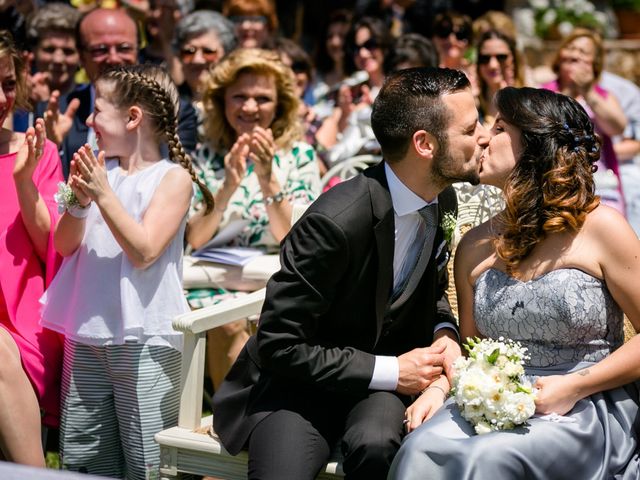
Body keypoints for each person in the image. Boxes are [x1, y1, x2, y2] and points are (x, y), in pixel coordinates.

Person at [212, 66, 490, 479]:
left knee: (378, 446)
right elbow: (278, 344)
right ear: (424, 144)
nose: (484, 135)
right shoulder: (336, 222)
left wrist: (444, 332)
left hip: (379, 386)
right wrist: (394, 371)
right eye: (470, 129)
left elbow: (424, 293)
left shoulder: (441, 199)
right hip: (297, 388)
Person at [389, 86, 640, 479]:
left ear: (537, 146)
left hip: (583, 405)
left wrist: (573, 387)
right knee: (419, 451)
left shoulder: (601, 228)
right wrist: (439, 389)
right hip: (494, 400)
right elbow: (474, 355)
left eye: (500, 127)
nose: (484, 137)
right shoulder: (474, 246)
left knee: (488, 460)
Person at [40, 64, 213, 479]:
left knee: (146, 458)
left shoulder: (172, 178)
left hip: (146, 339)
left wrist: (101, 193)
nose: (89, 121)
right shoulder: (104, 174)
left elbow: (145, 250)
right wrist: (80, 201)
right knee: (84, 452)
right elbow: (65, 246)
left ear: (132, 117)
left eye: (98, 110)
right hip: (87, 331)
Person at [184, 47, 321, 390]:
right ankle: (237, 422)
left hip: (275, 279)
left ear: (280, 105)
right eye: (239, 96)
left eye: (262, 98)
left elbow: (293, 238)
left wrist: (267, 178)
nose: (249, 107)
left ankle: (245, 421)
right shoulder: (206, 156)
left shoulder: (300, 156)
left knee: (257, 322)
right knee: (226, 322)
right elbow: (196, 238)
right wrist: (228, 184)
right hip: (212, 279)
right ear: (222, 101)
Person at [0, 29, 64, 467]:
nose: (1, 98)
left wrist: (24, 182)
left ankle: (34, 474)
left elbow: (51, 247)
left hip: (22, 321)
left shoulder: (38, 153)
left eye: (6, 84)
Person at [38, 7, 198, 178]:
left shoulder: (171, 111)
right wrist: (52, 147)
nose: (113, 58)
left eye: (124, 48)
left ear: (138, 50)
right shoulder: (53, 112)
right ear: (81, 56)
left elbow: (176, 182)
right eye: (100, 49)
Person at [542, 28, 627, 216]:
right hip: (555, 181)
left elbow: (618, 127)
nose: (574, 54)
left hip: (601, 184)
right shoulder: (543, 92)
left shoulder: (602, 96)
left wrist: (588, 91)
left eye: (583, 52)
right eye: (570, 48)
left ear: (594, 63)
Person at [475, 29, 526, 127]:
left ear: (513, 59)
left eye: (501, 57)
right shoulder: (473, 103)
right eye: (485, 58)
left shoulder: (529, 102)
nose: (492, 65)